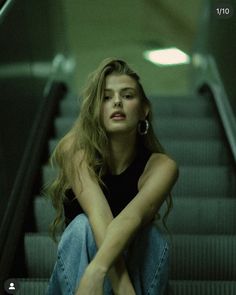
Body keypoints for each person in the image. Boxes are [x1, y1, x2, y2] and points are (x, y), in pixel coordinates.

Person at [46, 58, 178, 295]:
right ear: (96, 109)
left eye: (127, 96)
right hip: (79, 282)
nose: (117, 102)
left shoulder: (161, 166)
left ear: (143, 109)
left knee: (151, 236)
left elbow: (132, 218)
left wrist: (101, 272)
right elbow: (99, 215)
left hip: (130, 279)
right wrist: (100, 275)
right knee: (82, 227)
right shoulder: (74, 150)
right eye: (106, 97)